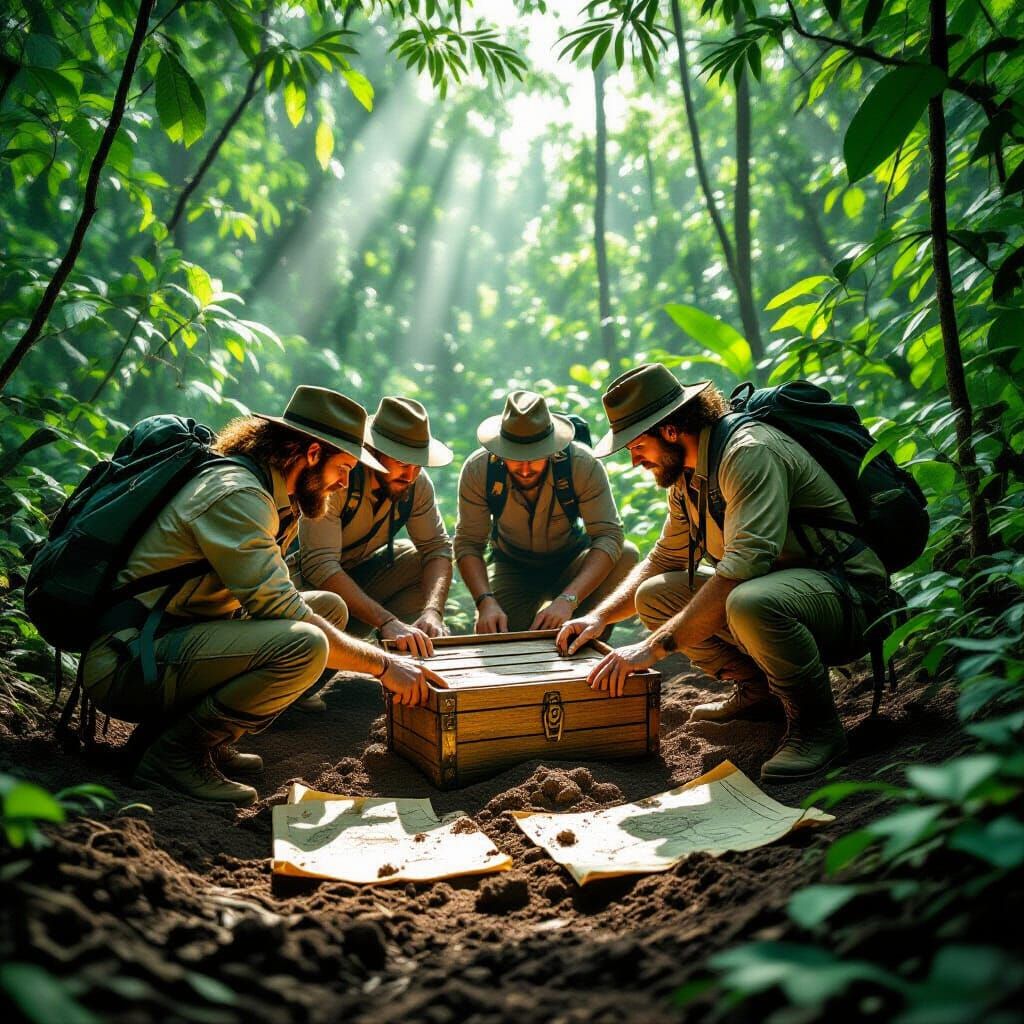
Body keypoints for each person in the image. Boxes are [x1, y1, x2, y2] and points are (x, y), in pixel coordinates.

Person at [80, 386, 446, 806]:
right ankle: (172, 754)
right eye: (343, 467)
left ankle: (207, 739)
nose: (346, 481)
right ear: (311, 455)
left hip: (175, 638)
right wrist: (384, 665)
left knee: (328, 609)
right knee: (304, 644)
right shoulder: (239, 495)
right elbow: (282, 609)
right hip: (128, 660)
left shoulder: (273, 490)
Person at [556, 363, 888, 782]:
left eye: (636, 446)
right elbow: (664, 559)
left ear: (670, 431)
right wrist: (598, 616)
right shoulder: (688, 475)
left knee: (751, 601)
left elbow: (740, 573)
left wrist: (651, 649)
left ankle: (816, 727)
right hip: (788, 596)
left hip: (850, 597)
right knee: (654, 594)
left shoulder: (747, 453)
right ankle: (761, 694)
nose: (635, 460)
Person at [295, 397, 454, 689]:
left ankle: (410, 671)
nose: (411, 475)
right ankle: (308, 683)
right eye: (402, 463)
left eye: (417, 464)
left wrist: (433, 610)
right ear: (372, 450)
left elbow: (438, 549)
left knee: (418, 563)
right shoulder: (338, 477)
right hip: (305, 594)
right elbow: (319, 566)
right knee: (329, 611)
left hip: (354, 581)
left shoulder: (415, 483)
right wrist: (386, 620)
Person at [455, 389, 638, 634]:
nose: (526, 468)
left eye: (535, 457)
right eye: (516, 457)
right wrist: (485, 601)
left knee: (626, 554)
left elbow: (609, 535)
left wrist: (568, 600)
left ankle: (584, 639)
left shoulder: (583, 465)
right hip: (512, 566)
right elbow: (468, 543)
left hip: (571, 561)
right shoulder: (479, 471)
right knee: (498, 636)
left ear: (552, 449)